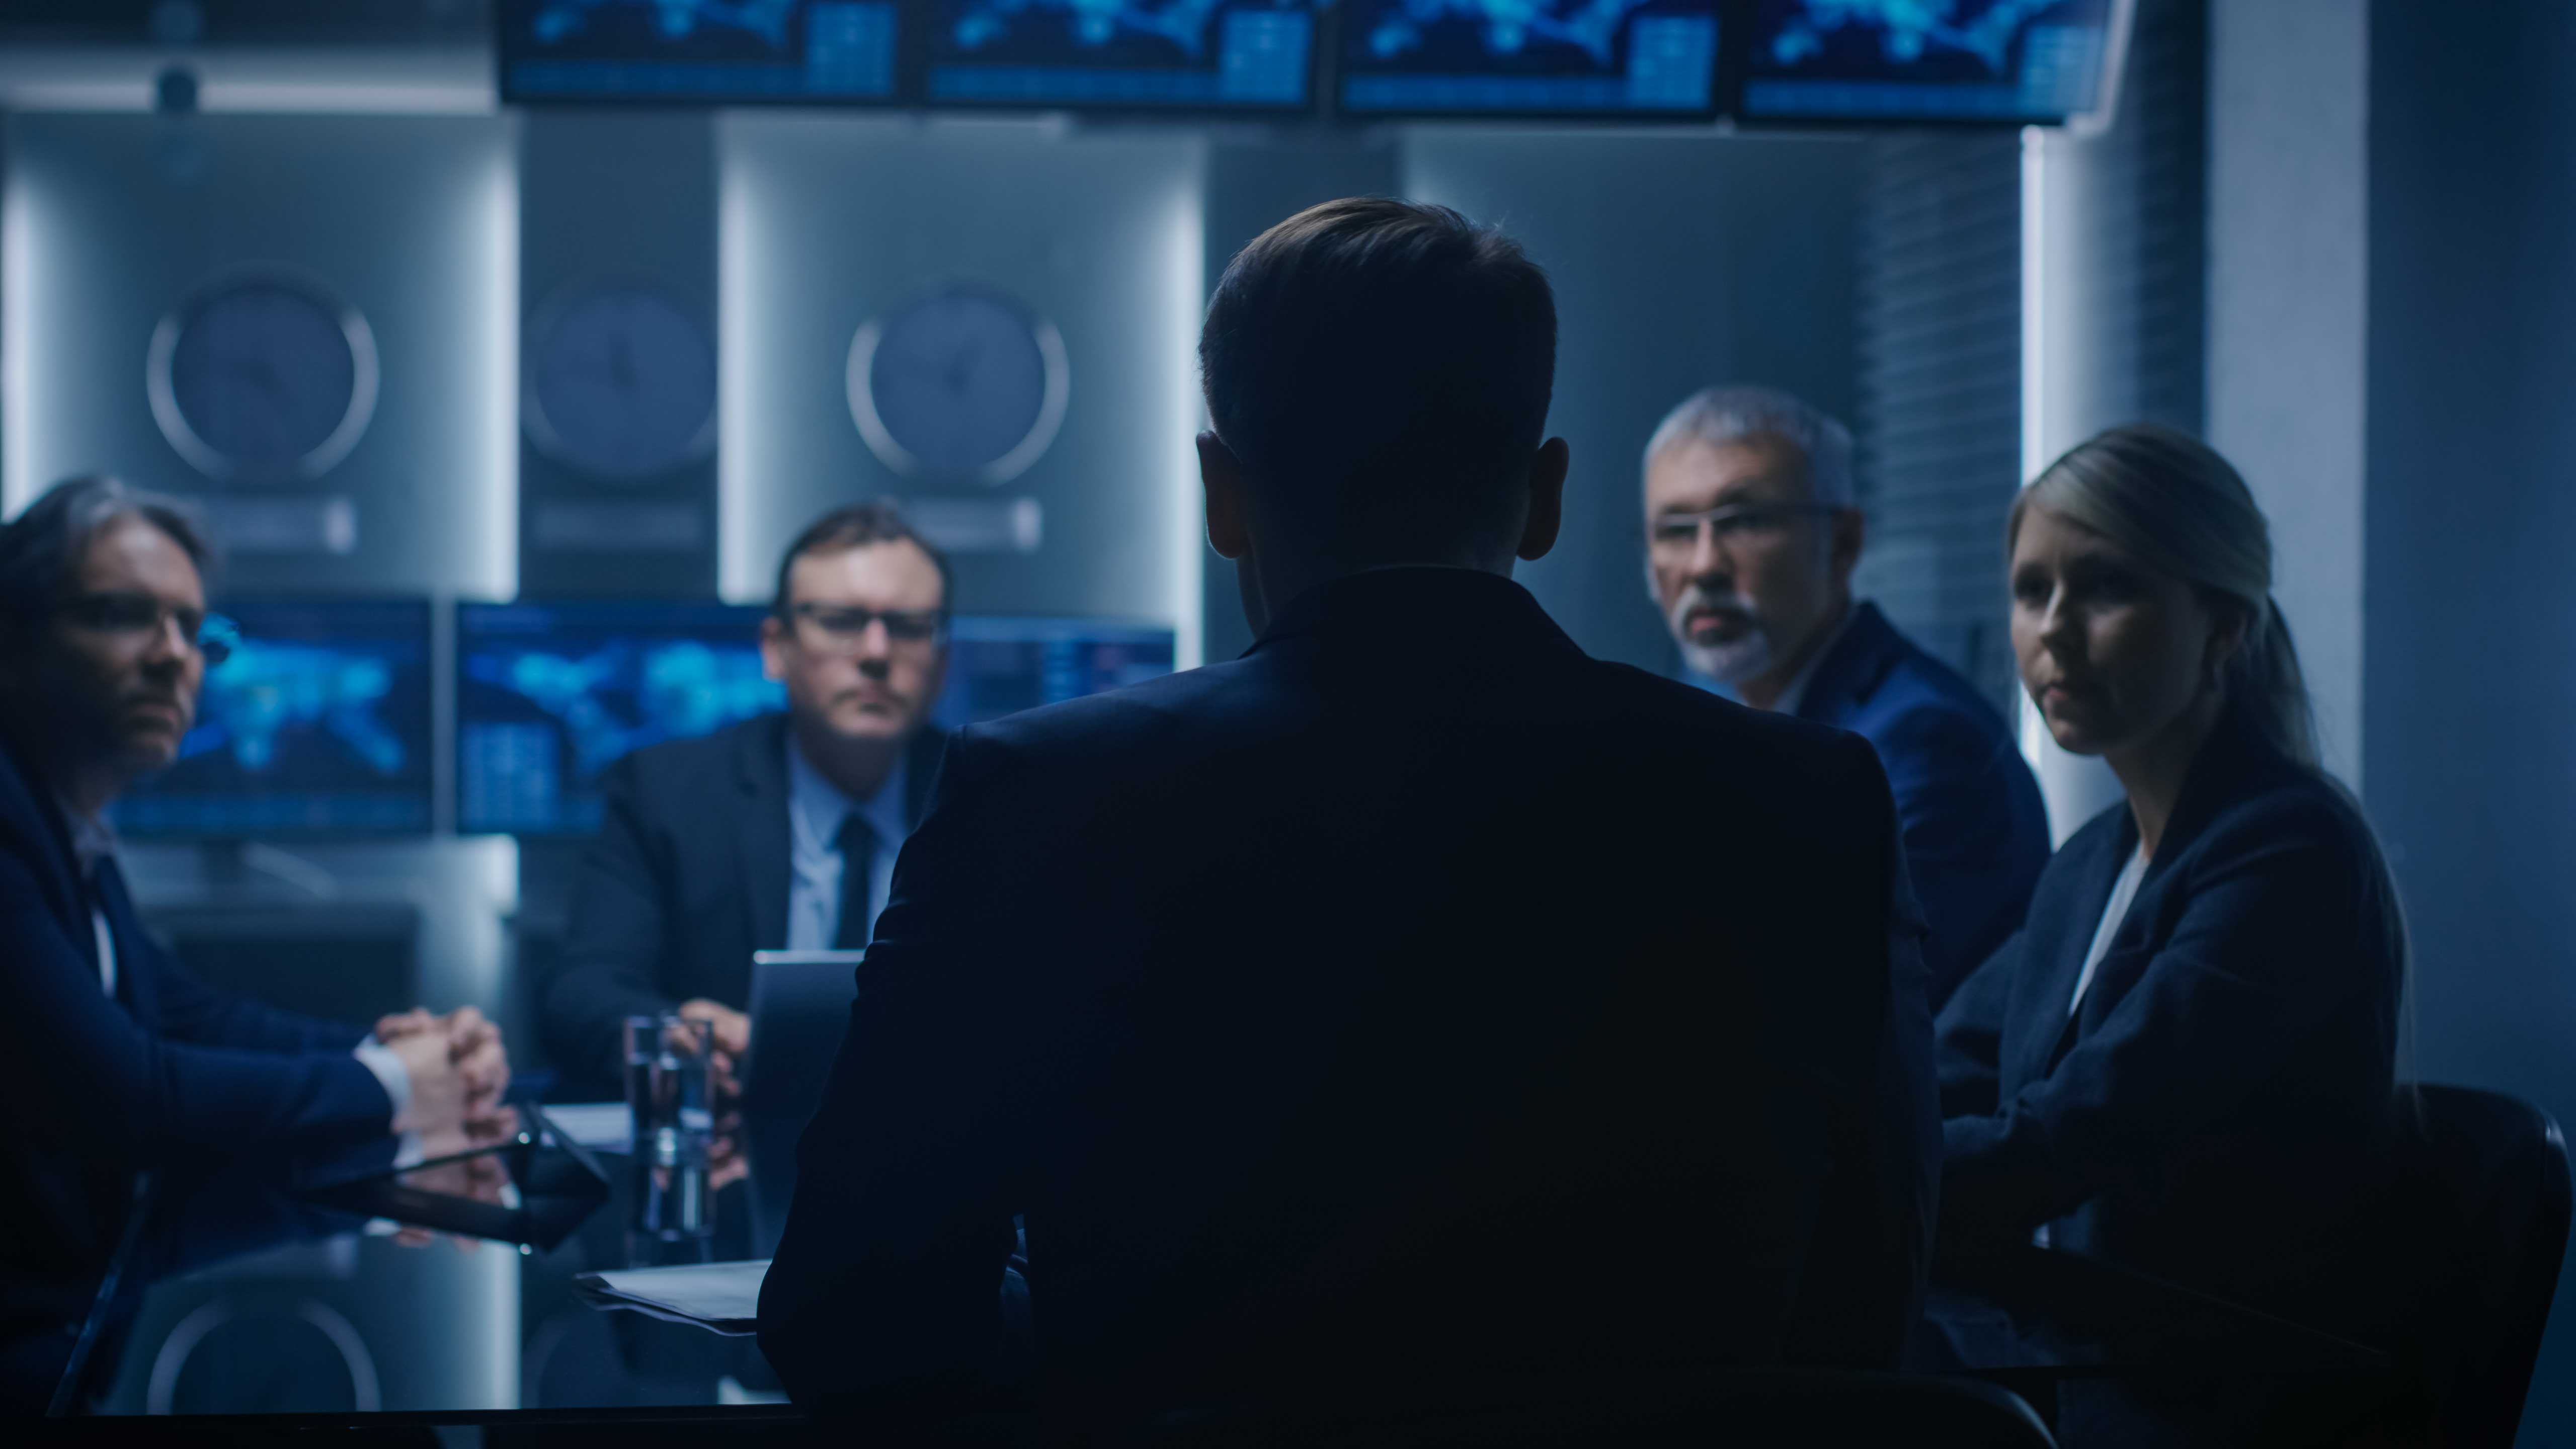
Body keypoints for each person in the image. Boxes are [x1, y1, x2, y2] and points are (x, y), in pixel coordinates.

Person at [759, 199, 1939, 1429]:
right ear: (1542, 497)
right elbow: (1869, 1320)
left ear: (1221, 494)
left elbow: (852, 1317)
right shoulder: (1811, 805)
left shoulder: (1038, 797)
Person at [1933, 425, 2406, 1441]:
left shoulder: (2289, 852)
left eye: (2104, 588)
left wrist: (1853, 1182)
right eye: (2031, 592)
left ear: (2222, 627)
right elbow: (1944, 1070)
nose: (2053, 630)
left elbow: (2080, 1131)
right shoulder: (2087, 865)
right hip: (2095, 1366)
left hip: (2226, 1404)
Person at [0, 476, 509, 1413]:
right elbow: (127, 1095)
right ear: (16, 637)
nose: (173, 658)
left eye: (196, 631)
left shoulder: (67, 827)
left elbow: (187, 1011)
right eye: (124, 617)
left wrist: (395, 1050)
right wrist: (401, 1083)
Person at [1644, 385, 2049, 1009]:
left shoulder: (1928, 744)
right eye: (1674, 530)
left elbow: (1815, 1000)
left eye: (1744, 521)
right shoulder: (1696, 695)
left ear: (1843, 544)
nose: (1702, 566)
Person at [538, 503, 954, 1096]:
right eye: (840, 621)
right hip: (733, 1151)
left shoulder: (999, 808)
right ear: (775, 647)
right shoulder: (667, 793)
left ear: (942, 662)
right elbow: (581, 991)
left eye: (910, 626)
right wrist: (676, 1036)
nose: (876, 652)